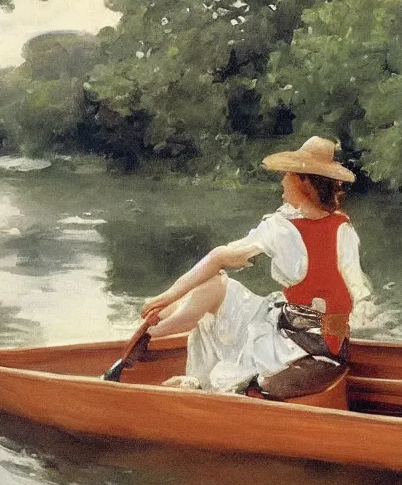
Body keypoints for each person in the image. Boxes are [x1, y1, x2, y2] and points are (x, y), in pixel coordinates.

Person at [132, 136, 371, 399]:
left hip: (298, 345)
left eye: (288, 175)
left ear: (304, 181)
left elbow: (219, 257)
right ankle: (161, 326)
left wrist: (166, 296)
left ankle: (158, 334)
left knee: (215, 286)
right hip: (322, 338)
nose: (282, 181)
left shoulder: (283, 229)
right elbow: (355, 290)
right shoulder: (341, 228)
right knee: (217, 286)